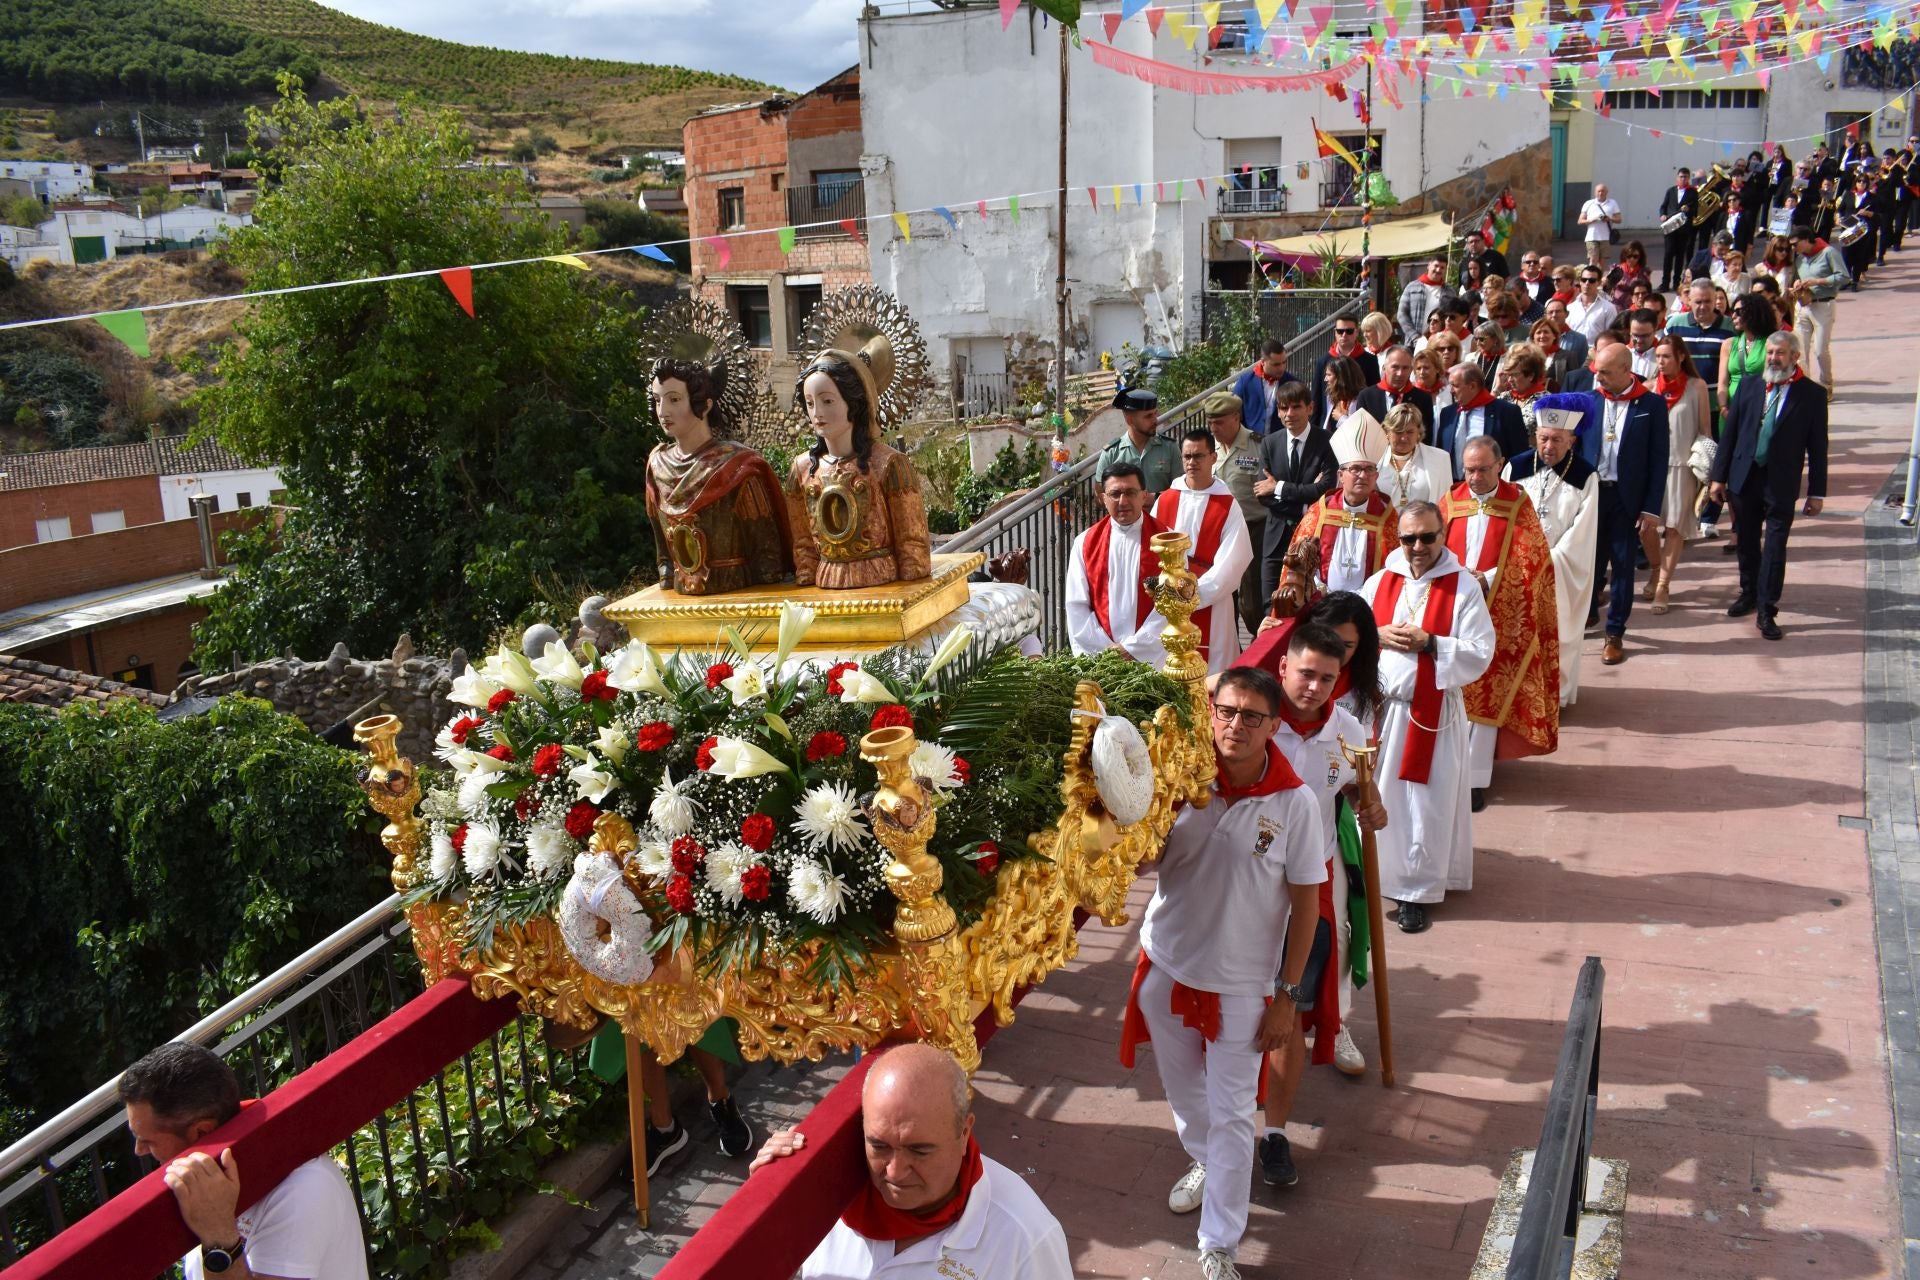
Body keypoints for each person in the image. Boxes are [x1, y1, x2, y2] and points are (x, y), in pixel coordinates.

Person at [1118, 664, 1325, 1280]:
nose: (1235, 726)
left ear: (1272, 726)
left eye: (1252, 717)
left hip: (1242, 985)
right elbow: (1143, 858)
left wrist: (1287, 995)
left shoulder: (1295, 803)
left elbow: (1308, 902)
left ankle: (1220, 1242)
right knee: (1184, 1092)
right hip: (1167, 964)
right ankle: (1206, 1160)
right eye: (1227, 712)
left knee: (1234, 1110)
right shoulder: (1180, 780)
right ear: (1213, 715)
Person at [751, 1043, 1073, 1280]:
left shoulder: (1025, 1238)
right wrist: (766, 1214)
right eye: (879, 1145)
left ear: (964, 1133)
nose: (894, 1171)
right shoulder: (820, 1194)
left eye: (919, 1151)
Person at [1257, 623, 1390, 1188]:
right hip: (1247, 889)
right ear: (1283, 667)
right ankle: (1217, 1135)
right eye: (1305, 673)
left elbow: (1358, 790)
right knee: (1236, 1012)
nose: (1313, 687)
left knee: (1290, 1011)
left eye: (1327, 679)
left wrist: (1371, 804)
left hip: (1313, 888)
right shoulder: (1251, 719)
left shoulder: (1349, 729)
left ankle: (1276, 1134)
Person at [119, 1043, 369, 1280]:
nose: (138, 1150)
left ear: (202, 1133)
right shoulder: (208, 1183)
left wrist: (219, 1237)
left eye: (147, 1140)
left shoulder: (304, 1187)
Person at [1359, 501, 1496, 934]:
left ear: (1443, 536)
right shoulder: (1381, 580)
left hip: (1429, 713)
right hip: (1378, 711)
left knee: (1423, 805)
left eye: (1427, 537)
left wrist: (1431, 643)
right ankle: (1377, 877)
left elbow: (1480, 652)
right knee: (1378, 801)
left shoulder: (1463, 587)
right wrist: (1373, 633)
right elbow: (1346, 636)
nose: (1417, 547)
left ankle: (1415, 892)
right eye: (1408, 538)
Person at [1441, 436, 1560, 811]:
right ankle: (1447, 770)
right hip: (1454, 608)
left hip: (1500, 611)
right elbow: (1432, 551)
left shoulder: (1517, 503)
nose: (1474, 477)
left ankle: (1475, 781)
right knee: (1454, 690)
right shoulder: (1450, 501)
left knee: (1489, 694)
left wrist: (1487, 579)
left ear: (1500, 465)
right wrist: (1459, 577)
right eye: (1469, 469)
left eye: (1482, 470)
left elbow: (1532, 560)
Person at [1710, 331, 1828, 641]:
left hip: (1780, 481)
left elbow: (1818, 447)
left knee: (1775, 547)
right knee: (1746, 542)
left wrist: (1817, 492)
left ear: (1794, 357)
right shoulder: (1750, 385)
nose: (1774, 358)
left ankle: (1767, 608)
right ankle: (1748, 593)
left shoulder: (1812, 395)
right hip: (1744, 477)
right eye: (1771, 352)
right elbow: (1731, 434)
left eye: (1780, 353)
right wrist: (1718, 477)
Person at [645, 358, 794, 596]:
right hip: (681, 595)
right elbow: (663, 551)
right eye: (657, 400)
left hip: (737, 593)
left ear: (704, 405)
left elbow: (768, 553)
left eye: (674, 399)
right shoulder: (657, 464)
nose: (663, 411)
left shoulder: (737, 466)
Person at [788, 350, 931, 590]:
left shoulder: (888, 464)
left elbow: (912, 543)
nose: (817, 413)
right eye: (810, 403)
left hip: (881, 584)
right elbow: (803, 544)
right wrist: (806, 584)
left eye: (827, 401)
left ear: (853, 403)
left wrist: (910, 592)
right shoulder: (803, 469)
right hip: (826, 587)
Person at [1507, 399, 1601, 707]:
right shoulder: (1516, 467)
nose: (1549, 446)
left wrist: (1550, 561)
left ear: (1572, 440)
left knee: (1557, 632)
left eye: (1558, 440)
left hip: (1559, 569)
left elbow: (1583, 530)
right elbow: (1503, 515)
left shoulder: (1585, 476)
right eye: (1544, 438)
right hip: (1516, 565)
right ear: (1535, 436)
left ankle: (1552, 696)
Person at [1585, 343, 1671, 666]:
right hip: (1593, 495)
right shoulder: (1591, 400)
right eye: (1596, 371)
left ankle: (1615, 632)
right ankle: (1588, 612)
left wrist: (1650, 508)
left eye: (1605, 372)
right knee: (1588, 562)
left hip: (1627, 498)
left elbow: (1658, 459)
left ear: (1626, 368)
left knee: (1622, 566)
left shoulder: (1651, 405)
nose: (1599, 377)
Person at [1154, 429, 1254, 673]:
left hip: (1212, 601)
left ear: (1213, 457)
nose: (1192, 462)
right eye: (1187, 456)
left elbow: (1233, 561)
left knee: (1211, 668)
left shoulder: (1227, 504)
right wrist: (1171, 594)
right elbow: (1151, 549)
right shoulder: (1166, 500)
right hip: (1169, 601)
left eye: (1198, 456)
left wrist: (1192, 596)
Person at [1067, 462, 1170, 664]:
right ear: (1103, 498)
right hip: (1103, 659)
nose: (1122, 501)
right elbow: (1076, 605)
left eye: (1130, 492)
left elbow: (1171, 605)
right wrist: (1108, 652)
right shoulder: (1084, 543)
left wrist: (1134, 648)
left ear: (1144, 496)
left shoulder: (1168, 542)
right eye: (1115, 494)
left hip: (1154, 657)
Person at [1290, 413, 1399, 596]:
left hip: (1369, 608)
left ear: (1376, 476)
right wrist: (1319, 591)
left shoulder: (1387, 518)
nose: (1363, 476)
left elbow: (1393, 571)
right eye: (1355, 468)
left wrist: (1364, 597)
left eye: (1369, 469)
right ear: (1340, 475)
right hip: (1322, 604)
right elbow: (1298, 563)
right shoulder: (1320, 513)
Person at [1256, 380, 1338, 605]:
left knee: (1309, 604)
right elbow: (1263, 494)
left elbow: (1325, 489)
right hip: (1276, 539)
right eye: (1283, 408)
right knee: (1269, 604)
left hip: (1313, 539)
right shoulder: (1270, 443)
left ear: (1310, 408)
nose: (1289, 413)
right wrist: (1304, 504)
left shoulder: (1327, 442)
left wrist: (1279, 487)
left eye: (1296, 407)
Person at [1646, 335, 1708, 613]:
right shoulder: (1648, 389)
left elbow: (1705, 431)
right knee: (1646, 526)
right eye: (1658, 356)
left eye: (1667, 356)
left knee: (1674, 529)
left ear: (1681, 356)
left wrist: (1705, 470)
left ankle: (1663, 585)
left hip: (1682, 467)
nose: (1661, 362)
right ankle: (1656, 567)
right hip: (1650, 467)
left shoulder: (1697, 387)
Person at [1204, 392, 1270, 636]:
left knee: (1251, 597)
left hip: (1252, 528)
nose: (1214, 428)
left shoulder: (1258, 445)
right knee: (1221, 593)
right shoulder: (1209, 448)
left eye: (1219, 422)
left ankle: (1258, 642)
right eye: (1210, 422)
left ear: (1236, 417)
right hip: (1218, 532)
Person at [1436, 362, 1528, 480]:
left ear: (1472, 386)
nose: (1451, 390)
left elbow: (1519, 456)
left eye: (1455, 385)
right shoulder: (1448, 413)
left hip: (1493, 489)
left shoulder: (1507, 412)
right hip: (1454, 489)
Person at [1789, 227, 1848, 391]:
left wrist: (1819, 281)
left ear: (1807, 239)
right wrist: (1796, 284)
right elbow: (1797, 277)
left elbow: (1844, 277)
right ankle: (1805, 387)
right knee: (1800, 350)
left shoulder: (1828, 252)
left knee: (1820, 350)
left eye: (1795, 244)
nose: (1793, 248)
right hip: (1803, 305)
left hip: (1823, 305)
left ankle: (1826, 383)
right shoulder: (1800, 258)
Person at [1096, 386, 1178, 496]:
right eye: (1148, 416)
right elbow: (1099, 496)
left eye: (1155, 413)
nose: (1155, 420)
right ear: (1130, 420)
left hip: (1159, 513)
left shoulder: (1169, 447)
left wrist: (1154, 498)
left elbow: (1180, 490)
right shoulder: (1111, 453)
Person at [1378, 401, 1453, 511]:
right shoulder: (1373, 459)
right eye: (1398, 432)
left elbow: (1446, 506)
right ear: (1386, 431)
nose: (1404, 438)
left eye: (1409, 432)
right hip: (1383, 527)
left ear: (1419, 432)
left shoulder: (1440, 459)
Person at [1356, 343, 1436, 435]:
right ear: (1384, 368)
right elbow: (1361, 433)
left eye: (1405, 368)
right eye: (1395, 367)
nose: (1400, 373)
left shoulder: (1423, 399)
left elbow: (1425, 437)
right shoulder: (1367, 396)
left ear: (1411, 370)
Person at [1313, 319, 1379, 425]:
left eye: (1349, 331)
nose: (1344, 335)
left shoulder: (1369, 360)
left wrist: (1341, 418)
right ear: (1335, 332)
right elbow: (1316, 399)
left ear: (1357, 332)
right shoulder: (1323, 361)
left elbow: (1373, 394)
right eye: (1340, 331)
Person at [1230, 338, 1300, 435]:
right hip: (1250, 441)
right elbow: (1233, 412)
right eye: (1276, 364)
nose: (1282, 368)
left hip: (1280, 441)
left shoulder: (1293, 383)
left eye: (1284, 362)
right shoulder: (1245, 382)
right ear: (1263, 362)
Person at [1498, 342, 1551, 442]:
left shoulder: (1547, 401)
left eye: (1514, 375)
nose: (1509, 380)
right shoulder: (1504, 397)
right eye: (1508, 375)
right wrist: (1497, 389)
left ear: (1531, 375)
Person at [1658, 168, 1699, 292]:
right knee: (1668, 255)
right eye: (1681, 177)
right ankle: (1665, 282)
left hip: (1683, 228)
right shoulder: (1670, 191)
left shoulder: (1693, 192)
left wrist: (1689, 210)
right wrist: (1662, 215)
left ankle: (1676, 283)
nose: (1683, 179)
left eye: (1685, 177)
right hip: (1670, 227)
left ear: (1688, 178)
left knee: (1680, 256)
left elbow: (1696, 210)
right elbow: (1663, 206)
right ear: (1677, 178)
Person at [1397, 256, 1453, 344]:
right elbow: (1401, 314)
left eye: (1442, 267)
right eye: (1436, 266)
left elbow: (1453, 315)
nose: (1438, 270)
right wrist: (1415, 337)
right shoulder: (1412, 287)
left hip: (1438, 341)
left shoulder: (1449, 291)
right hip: (1413, 343)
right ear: (1429, 266)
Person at [1566, 265, 1618, 345]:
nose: (1587, 283)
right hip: (1573, 352)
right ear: (1580, 282)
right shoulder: (1570, 308)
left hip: (1597, 352)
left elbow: (1611, 336)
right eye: (1584, 280)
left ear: (1599, 283)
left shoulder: (1608, 308)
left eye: (1592, 281)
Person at [1529, 317, 1578, 393]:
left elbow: (1574, 384)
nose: (1542, 336)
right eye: (1538, 333)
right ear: (1533, 338)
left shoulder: (1568, 356)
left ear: (1554, 336)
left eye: (1546, 332)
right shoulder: (1527, 358)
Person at [1579, 183, 1622, 268]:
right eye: (1598, 191)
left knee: (1602, 262)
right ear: (1595, 192)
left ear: (1607, 192)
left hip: (1605, 237)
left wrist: (1609, 219)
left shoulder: (1612, 203)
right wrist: (1591, 220)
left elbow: (1619, 219)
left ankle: (1599, 279)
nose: (1600, 193)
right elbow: (1580, 221)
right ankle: (1591, 277)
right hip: (1592, 237)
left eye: (1603, 191)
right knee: (1593, 259)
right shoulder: (1588, 203)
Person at [1624, 308, 1660, 380]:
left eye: (1645, 336)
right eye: (1635, 335)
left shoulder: (1664, 356)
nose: (1639, 341)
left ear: (1655, 330)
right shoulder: (1620, 353)